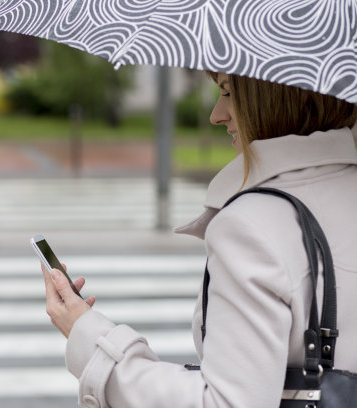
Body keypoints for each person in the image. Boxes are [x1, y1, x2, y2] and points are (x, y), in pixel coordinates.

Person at [41, 72, 357, 407]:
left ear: (273, 97)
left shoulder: (253, 225)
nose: (216, 115)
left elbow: (226, 402)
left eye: (229, 93)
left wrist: (91, 338)